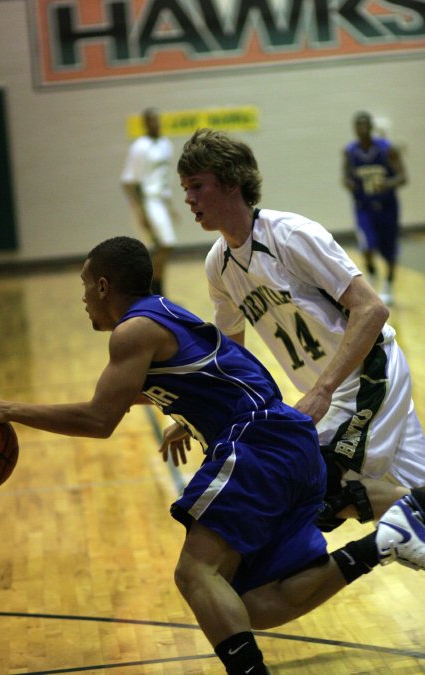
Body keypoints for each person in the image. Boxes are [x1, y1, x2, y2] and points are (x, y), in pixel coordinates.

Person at [0, 236, 424, 675]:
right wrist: (183, 410)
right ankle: (382, 542)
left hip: (258, 442)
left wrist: (9, 408)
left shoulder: (133, 330)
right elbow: (210, 376)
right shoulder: (165, 315)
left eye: (84, 286)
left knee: (196, 573)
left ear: (103, 287)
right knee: (249, 604)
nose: (83, 299)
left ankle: (396, 502)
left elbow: (100, 419)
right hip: (284, 439)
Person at [176, 128, 425, 535]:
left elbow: (371, 309)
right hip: (334, 387)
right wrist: (193, 412)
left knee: (319, 482)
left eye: (197, 187)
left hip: (368, 376)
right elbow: (231, 358)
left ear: (231, 183)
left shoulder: (289, 235)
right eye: (185, 188)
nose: (188, 199)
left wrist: (323, 389)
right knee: (417, 493)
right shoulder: (217, 264)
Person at [342, 111, 407, 305]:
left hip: (387, 206)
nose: (362, 129)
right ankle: (371, 274)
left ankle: (388, 284)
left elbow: (403, 177)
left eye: (365, 125)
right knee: (367, 245)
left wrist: (386, 183)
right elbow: (346, 177)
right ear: (354, 129)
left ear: (371, 127)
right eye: (358, 125)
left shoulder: (387, 149)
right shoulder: (350, 151)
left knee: (389, 248)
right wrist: (349, 183)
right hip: (364, 207)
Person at [120, 107, 177, 296]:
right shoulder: (140, 146)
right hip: (148, 201)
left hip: (161, 201)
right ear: (145, 124)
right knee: (164, 244)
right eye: (151, 120)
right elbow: (129, 182)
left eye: (157, 119)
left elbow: (165, 178)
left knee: (162, 247)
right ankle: (154, 292)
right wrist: (140, 211)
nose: (155, 123)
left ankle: (155, 292)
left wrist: (170, 206)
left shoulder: (166, 144)